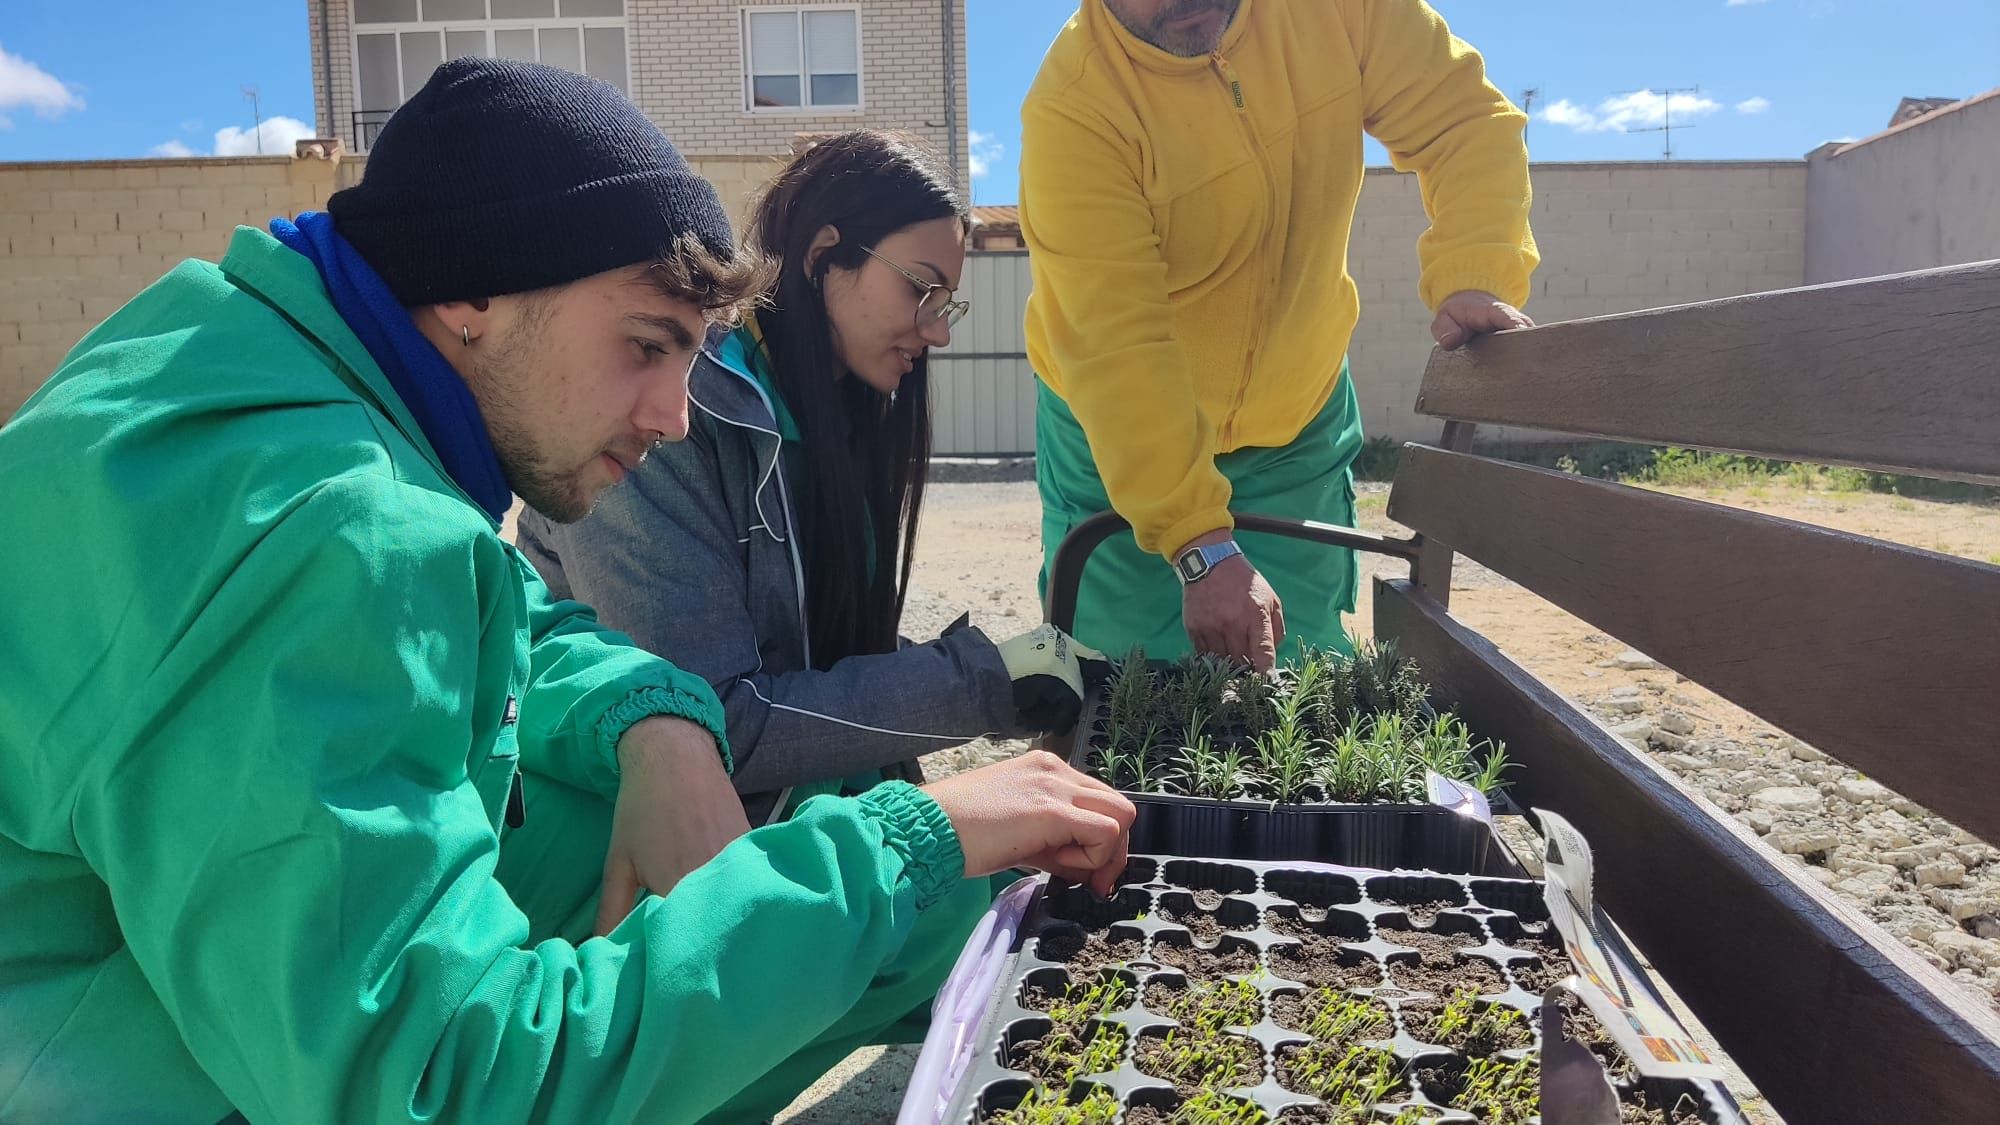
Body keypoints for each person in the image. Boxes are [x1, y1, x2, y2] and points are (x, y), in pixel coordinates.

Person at [0, 58, 1132, 1124]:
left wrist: (649, 715)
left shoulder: (248, 355)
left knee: (731, 859)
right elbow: (436, 1085)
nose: (672, 416)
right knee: (904, 897)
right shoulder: (324, 533)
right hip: (118, 1066)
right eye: (646, 345)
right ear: (471, 293)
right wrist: (905, 841)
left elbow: (494, 601)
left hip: (165, 958)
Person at [519, 130, 1099, 831]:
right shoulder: (674, 416)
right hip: (633, 846)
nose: (939, 331)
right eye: (921, 288)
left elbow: (822, 660)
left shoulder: (842, 416)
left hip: (786, 816)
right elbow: (717, 720)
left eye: (947, 302)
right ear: (825, 257)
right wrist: (979, 681)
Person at [1021, 0, 1540, 670]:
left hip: (1295, 426)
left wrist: (1476, 267)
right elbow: (1117, 344)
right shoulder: (1073, 107)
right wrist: (1197, 541)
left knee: (1299, 672)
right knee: (1121, 677)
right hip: (1112, 437)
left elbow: (1462, 119)